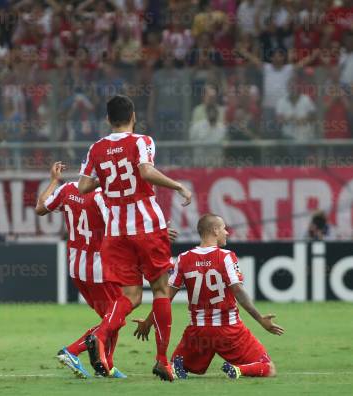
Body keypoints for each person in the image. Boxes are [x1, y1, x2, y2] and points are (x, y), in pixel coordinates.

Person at [78, 95, 192, 381]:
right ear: (133, 116)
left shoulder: (96, 148)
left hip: (115, 232)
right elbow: (145, 171)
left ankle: (101, 335)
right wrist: (177, 185)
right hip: (147, 227)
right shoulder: (142, 141)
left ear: (107, 119)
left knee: (131, 295)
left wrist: (106, 177)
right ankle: (162, 361)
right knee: (161, 290)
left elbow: (82, 186)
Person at [133, 214, 284, 380]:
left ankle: (178, 367)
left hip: (198, 333)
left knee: (176, 368)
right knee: (268, 368)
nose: (227, 232)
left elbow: (165, 297)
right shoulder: (226, 256)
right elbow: (238, 291)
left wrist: (148, 322)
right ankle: (239, 370)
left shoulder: (184, 259)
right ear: (215, 230)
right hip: (229, 330)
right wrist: (260, 319)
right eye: (224, 228)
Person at [35, 161, 125, 379]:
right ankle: (72, 351)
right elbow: (117, 230)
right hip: (100, 268)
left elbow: (40, 207)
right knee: (116, 318)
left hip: (77, 267)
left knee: (109, 319)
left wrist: (54, 181)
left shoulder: (67, 190)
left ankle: (106, 367)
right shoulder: (102, 197)